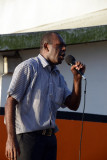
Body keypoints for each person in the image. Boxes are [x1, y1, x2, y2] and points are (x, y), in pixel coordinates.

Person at [5, 32, 85, 160]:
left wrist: (76, 79)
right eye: (60, 46)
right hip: (28, 139)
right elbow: (10, 102)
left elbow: (73, 105)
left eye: (65, 47)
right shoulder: (29, 67)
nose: (64, 49)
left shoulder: (58, 76)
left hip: (49, 139)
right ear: (47, 46)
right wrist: (11, 138)